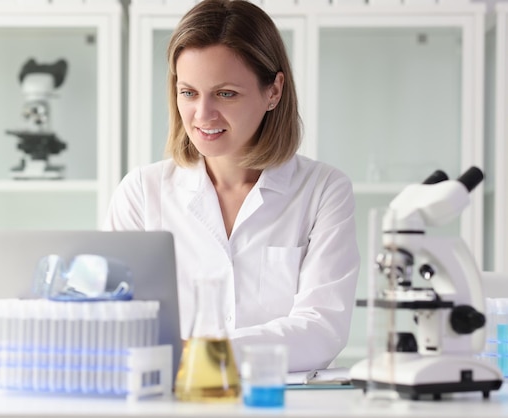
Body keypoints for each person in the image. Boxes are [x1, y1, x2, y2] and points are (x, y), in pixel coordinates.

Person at [104, 0, 360, 372]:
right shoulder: (142, 192)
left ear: (273, 91)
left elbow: (321, 329)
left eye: (226, 93)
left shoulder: (323, 190)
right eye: (189, 92)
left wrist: (201, 354)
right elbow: (114, 318)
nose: (202, 115)